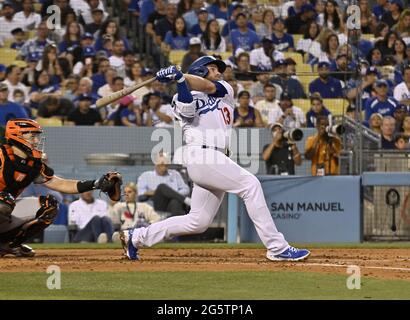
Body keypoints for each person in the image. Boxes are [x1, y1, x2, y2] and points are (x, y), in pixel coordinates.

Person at [120, 56, 310, 261]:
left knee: (198, 221)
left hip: (214, 158)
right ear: (200, 71)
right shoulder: (178, 98)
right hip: (201, 155)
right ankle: (276, 247)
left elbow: (208, 87)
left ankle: (136, 236)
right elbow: (188, 110)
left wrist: (180, 76)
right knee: (251, 185)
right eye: (212, 69)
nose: (219, 72)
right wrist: (181, 81)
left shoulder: (225, 89)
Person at [0, 118, 122, 257]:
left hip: (5, 208)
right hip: (4, 203)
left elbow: (61, 184)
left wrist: (96, 184)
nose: (36, 141)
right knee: (5, 200)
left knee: (49, 205)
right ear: (17, 136)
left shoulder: (33, 165)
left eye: (37, 136)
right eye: (32, 136)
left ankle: (8, 245)